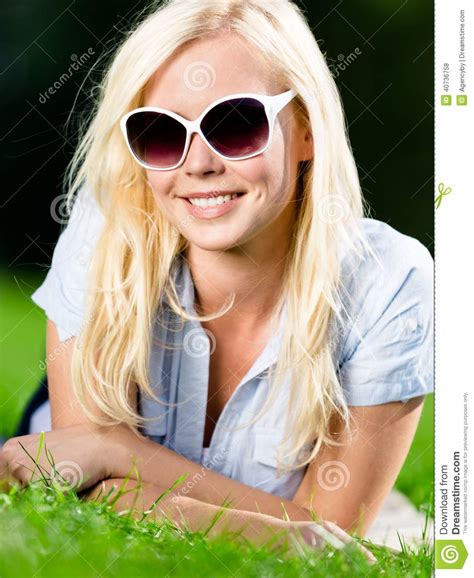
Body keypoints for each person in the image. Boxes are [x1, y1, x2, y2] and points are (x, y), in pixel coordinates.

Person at [1, 0, 432, 558]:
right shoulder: (105, 230)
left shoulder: (393, 283)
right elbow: (79, 485)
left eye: (235, 123)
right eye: (160, 132)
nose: (198, 164)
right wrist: (287, 528)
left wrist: (114, 450)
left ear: (306, 129)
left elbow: (333, 540)